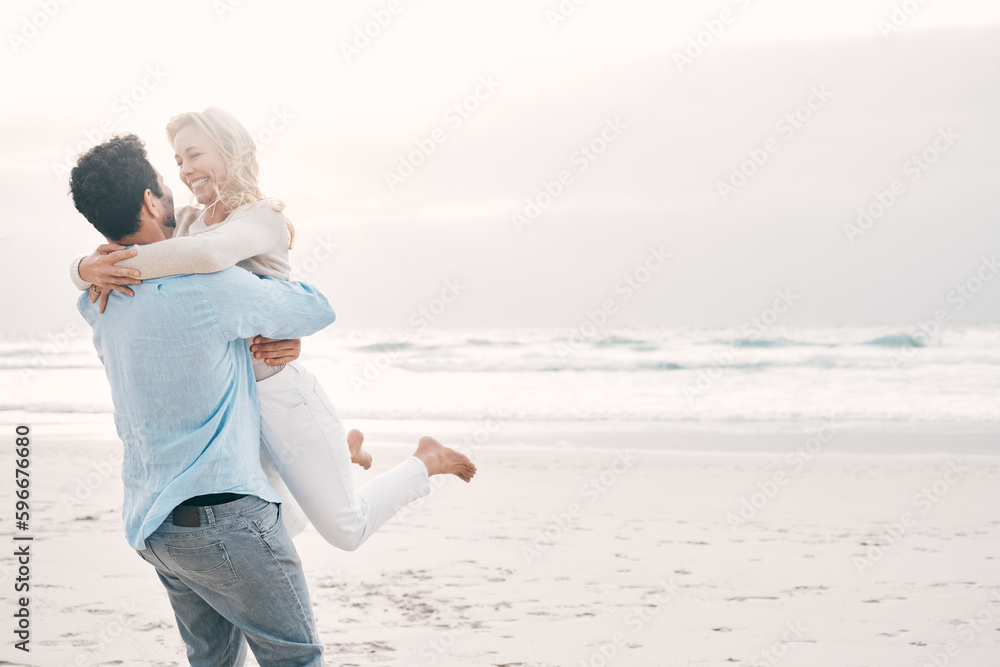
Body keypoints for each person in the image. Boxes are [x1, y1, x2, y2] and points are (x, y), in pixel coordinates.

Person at [68, 107, 476, 551]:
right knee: (272, 524)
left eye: (194, 154)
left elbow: (208, 259)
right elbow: (150, 247)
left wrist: (103, 268)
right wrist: (84, 267)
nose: (184, 170)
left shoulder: (262, 216)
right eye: (178, 160)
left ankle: (424, 460)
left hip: (279, 392)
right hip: (231, 399)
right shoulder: (185, 222)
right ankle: (341, 452)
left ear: (230, 151)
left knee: (346, 530)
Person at [70, 133, 330, 665]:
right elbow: (316, 308)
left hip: (154, 524)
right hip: (225, 519)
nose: (174, 189)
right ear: (149, 200)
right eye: (165, 183)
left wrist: (79, 266)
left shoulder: (96, 299)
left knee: (212, 662)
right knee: (298, 657)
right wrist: (281, 324)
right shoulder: (207, 287)